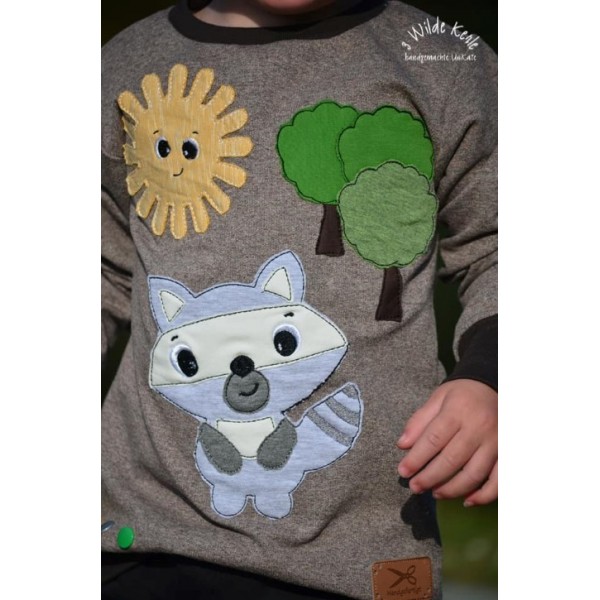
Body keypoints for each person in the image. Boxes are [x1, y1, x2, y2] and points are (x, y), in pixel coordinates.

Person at [101, 1, 497, 599]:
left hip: (364, 561)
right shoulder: (128, 65)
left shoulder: (442, 57)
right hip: (149, 538)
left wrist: (492, 376)